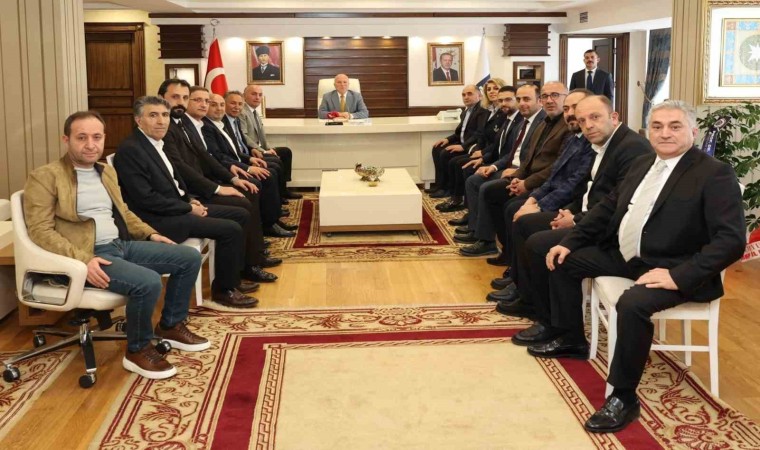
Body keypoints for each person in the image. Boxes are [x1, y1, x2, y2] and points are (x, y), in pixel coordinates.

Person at [520, 100, 746, 433]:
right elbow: (605, 210)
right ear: (648, 131)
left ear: (693, 131)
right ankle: (570, 337)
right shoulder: (643, 164)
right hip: (629, 256)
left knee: (633, 304)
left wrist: (678, 276)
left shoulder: (714, 173)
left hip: (673, 268)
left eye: (674, 126)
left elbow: (731, 241)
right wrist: (569, 242)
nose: (664, 133)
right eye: (657, 126)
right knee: (564, 260)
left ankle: (623, 398)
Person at [24, 110, 210, 380]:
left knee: (188, 257)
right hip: (88, 255)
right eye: (82, 138)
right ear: (66, 140)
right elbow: (40, 231)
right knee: (147, 282)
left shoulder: (106, 171)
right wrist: (82, 259)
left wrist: (150, 234)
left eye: (97, 137)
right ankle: (137, 350)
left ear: (104, 138)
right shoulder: (45, 176)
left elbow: (123, 211)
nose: (90, 144)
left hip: (119, 245)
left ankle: (170, 326)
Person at [490, 95, 652, 313]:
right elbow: (588, 190)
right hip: (586, 215)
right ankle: (525, 293)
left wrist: (575, 220)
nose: (588, 125)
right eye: (582, 120)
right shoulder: (603, 143)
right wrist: (569, 211)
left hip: (608, 232)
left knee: (538, 243)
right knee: (524, 223)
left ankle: (540, 309)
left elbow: (616, 204)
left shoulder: (632, 148)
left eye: (595, 117)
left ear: (614, 117)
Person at [114, 96, 262, 309]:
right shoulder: (132, 150)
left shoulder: (156, 143)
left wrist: (190, 199)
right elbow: (146, 199)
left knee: (241, 214)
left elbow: (175, 183)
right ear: (138, 120)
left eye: (164, 115)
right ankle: (224, 290)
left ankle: (233, 278)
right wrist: (188, 208)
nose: (161, 121)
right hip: (158, 220)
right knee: (230, 229)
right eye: (153, 115)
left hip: (176, 208)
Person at [458, 82, 570, 257]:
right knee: (477, 180)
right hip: (521, 173)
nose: (522, 103)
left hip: (540, 182)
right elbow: (519, 154)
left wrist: (523, 180)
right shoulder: (535, 122)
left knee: (493, 192)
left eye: (526, 99)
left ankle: (494, 244)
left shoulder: (561, 125)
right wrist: (506, 170)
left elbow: (556, 167)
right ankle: (483, 235)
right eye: (519, 99)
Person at [455, 84, 539, 237]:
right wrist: (492, 165)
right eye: (501, 101)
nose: (504, 104)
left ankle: (485, 238)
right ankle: (474, 225)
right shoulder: (513, 120)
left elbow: (529, 157)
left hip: (520, 172)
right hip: (505, 164)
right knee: (473, 178)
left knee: (485, 186)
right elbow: (504, 150)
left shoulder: (532, 122)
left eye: (509, 100)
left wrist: (514, 171)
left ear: (538, 101)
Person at [437, 78, 507, 212]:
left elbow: (499, 141)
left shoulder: (503, 113)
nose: (491, 92)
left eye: (496, 88)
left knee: (461, 164)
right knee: (448, 156)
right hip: (483, 150)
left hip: (493, 155)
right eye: (488, 89)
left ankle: (465, 206)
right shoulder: (489, 111)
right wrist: (478, 149)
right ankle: (456, 198)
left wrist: (482, 153)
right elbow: (482, 135)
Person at [239, 84, 300, 200]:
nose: (257, 97)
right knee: (277, 160)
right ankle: (279, 194)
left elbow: (261, 135)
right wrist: (263, 151)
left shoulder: (255, 112)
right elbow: (244, 136)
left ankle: (283, 189)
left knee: (285, 152)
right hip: (251, 151)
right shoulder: (242, 112)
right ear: (244, 96)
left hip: (261, 149)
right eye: (254, 94)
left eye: (260, 95)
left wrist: (268, 149)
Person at [428, 85, 488, 199]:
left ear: (479, 95)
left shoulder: (482, 111)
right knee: (437, 148)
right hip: (463, 143)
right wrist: (447, 139)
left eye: (469, 94)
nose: (466, 97)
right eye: (463, 95)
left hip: (471, 146)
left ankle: (447, 189)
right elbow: (459, 133)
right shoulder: (465, 112)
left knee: (446, 154)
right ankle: (440, 185)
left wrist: (463, 146)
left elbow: (479, 133)